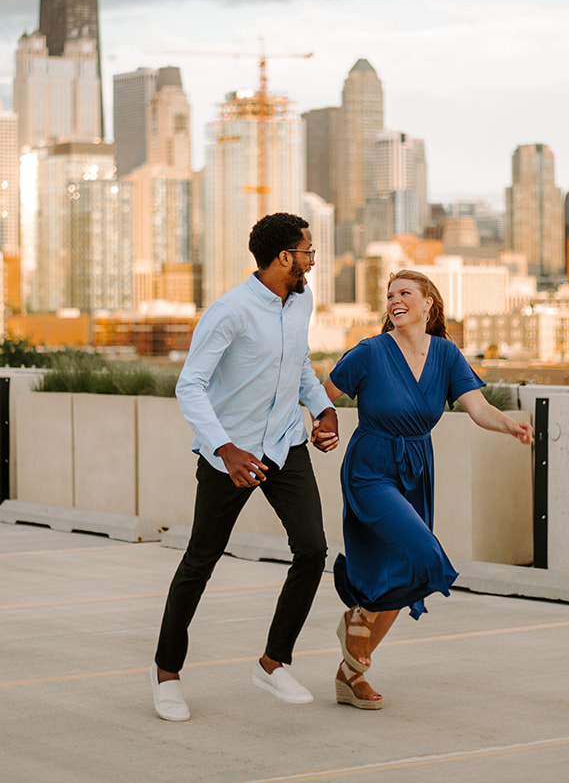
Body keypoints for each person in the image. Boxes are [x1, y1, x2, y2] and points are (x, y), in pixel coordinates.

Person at [150, 212, 342, 723]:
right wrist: (223, 449)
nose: (313, 261)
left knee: (313, 550)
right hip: (231, 454)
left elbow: (297, 363)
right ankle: (167, 673)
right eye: (308, 251)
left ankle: (273, 662)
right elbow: (189, 385)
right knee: (201, 561)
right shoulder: (229, 311)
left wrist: (322, 407)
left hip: (284, 444)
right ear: (285, 257)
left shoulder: (301, 301)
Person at [320, 268, 530, 710]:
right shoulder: (370, 352)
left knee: (405, 571)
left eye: (405, 293)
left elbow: (478, 407)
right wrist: (324, 423)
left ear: (428, 302)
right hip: (371, 467)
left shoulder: (447, 356)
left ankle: (350, 675)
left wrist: (510, 426)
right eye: (390, 294)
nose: (395, 300)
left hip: (416, 468)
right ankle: (356, 618)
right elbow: (324, 394)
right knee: (423, 553)